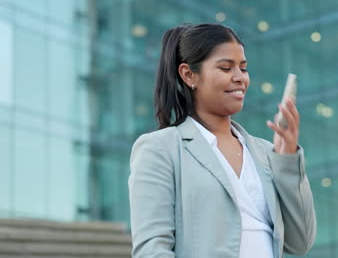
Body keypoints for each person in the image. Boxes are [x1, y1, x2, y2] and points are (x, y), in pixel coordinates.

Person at [128, 23, 316, 258]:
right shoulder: (161, 148)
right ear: (188, 75)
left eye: (243, 69)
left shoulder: (267, 153)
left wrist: (288, 160)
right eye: (226, 68)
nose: (240, 78)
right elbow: (152, 250)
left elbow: (300, 242)